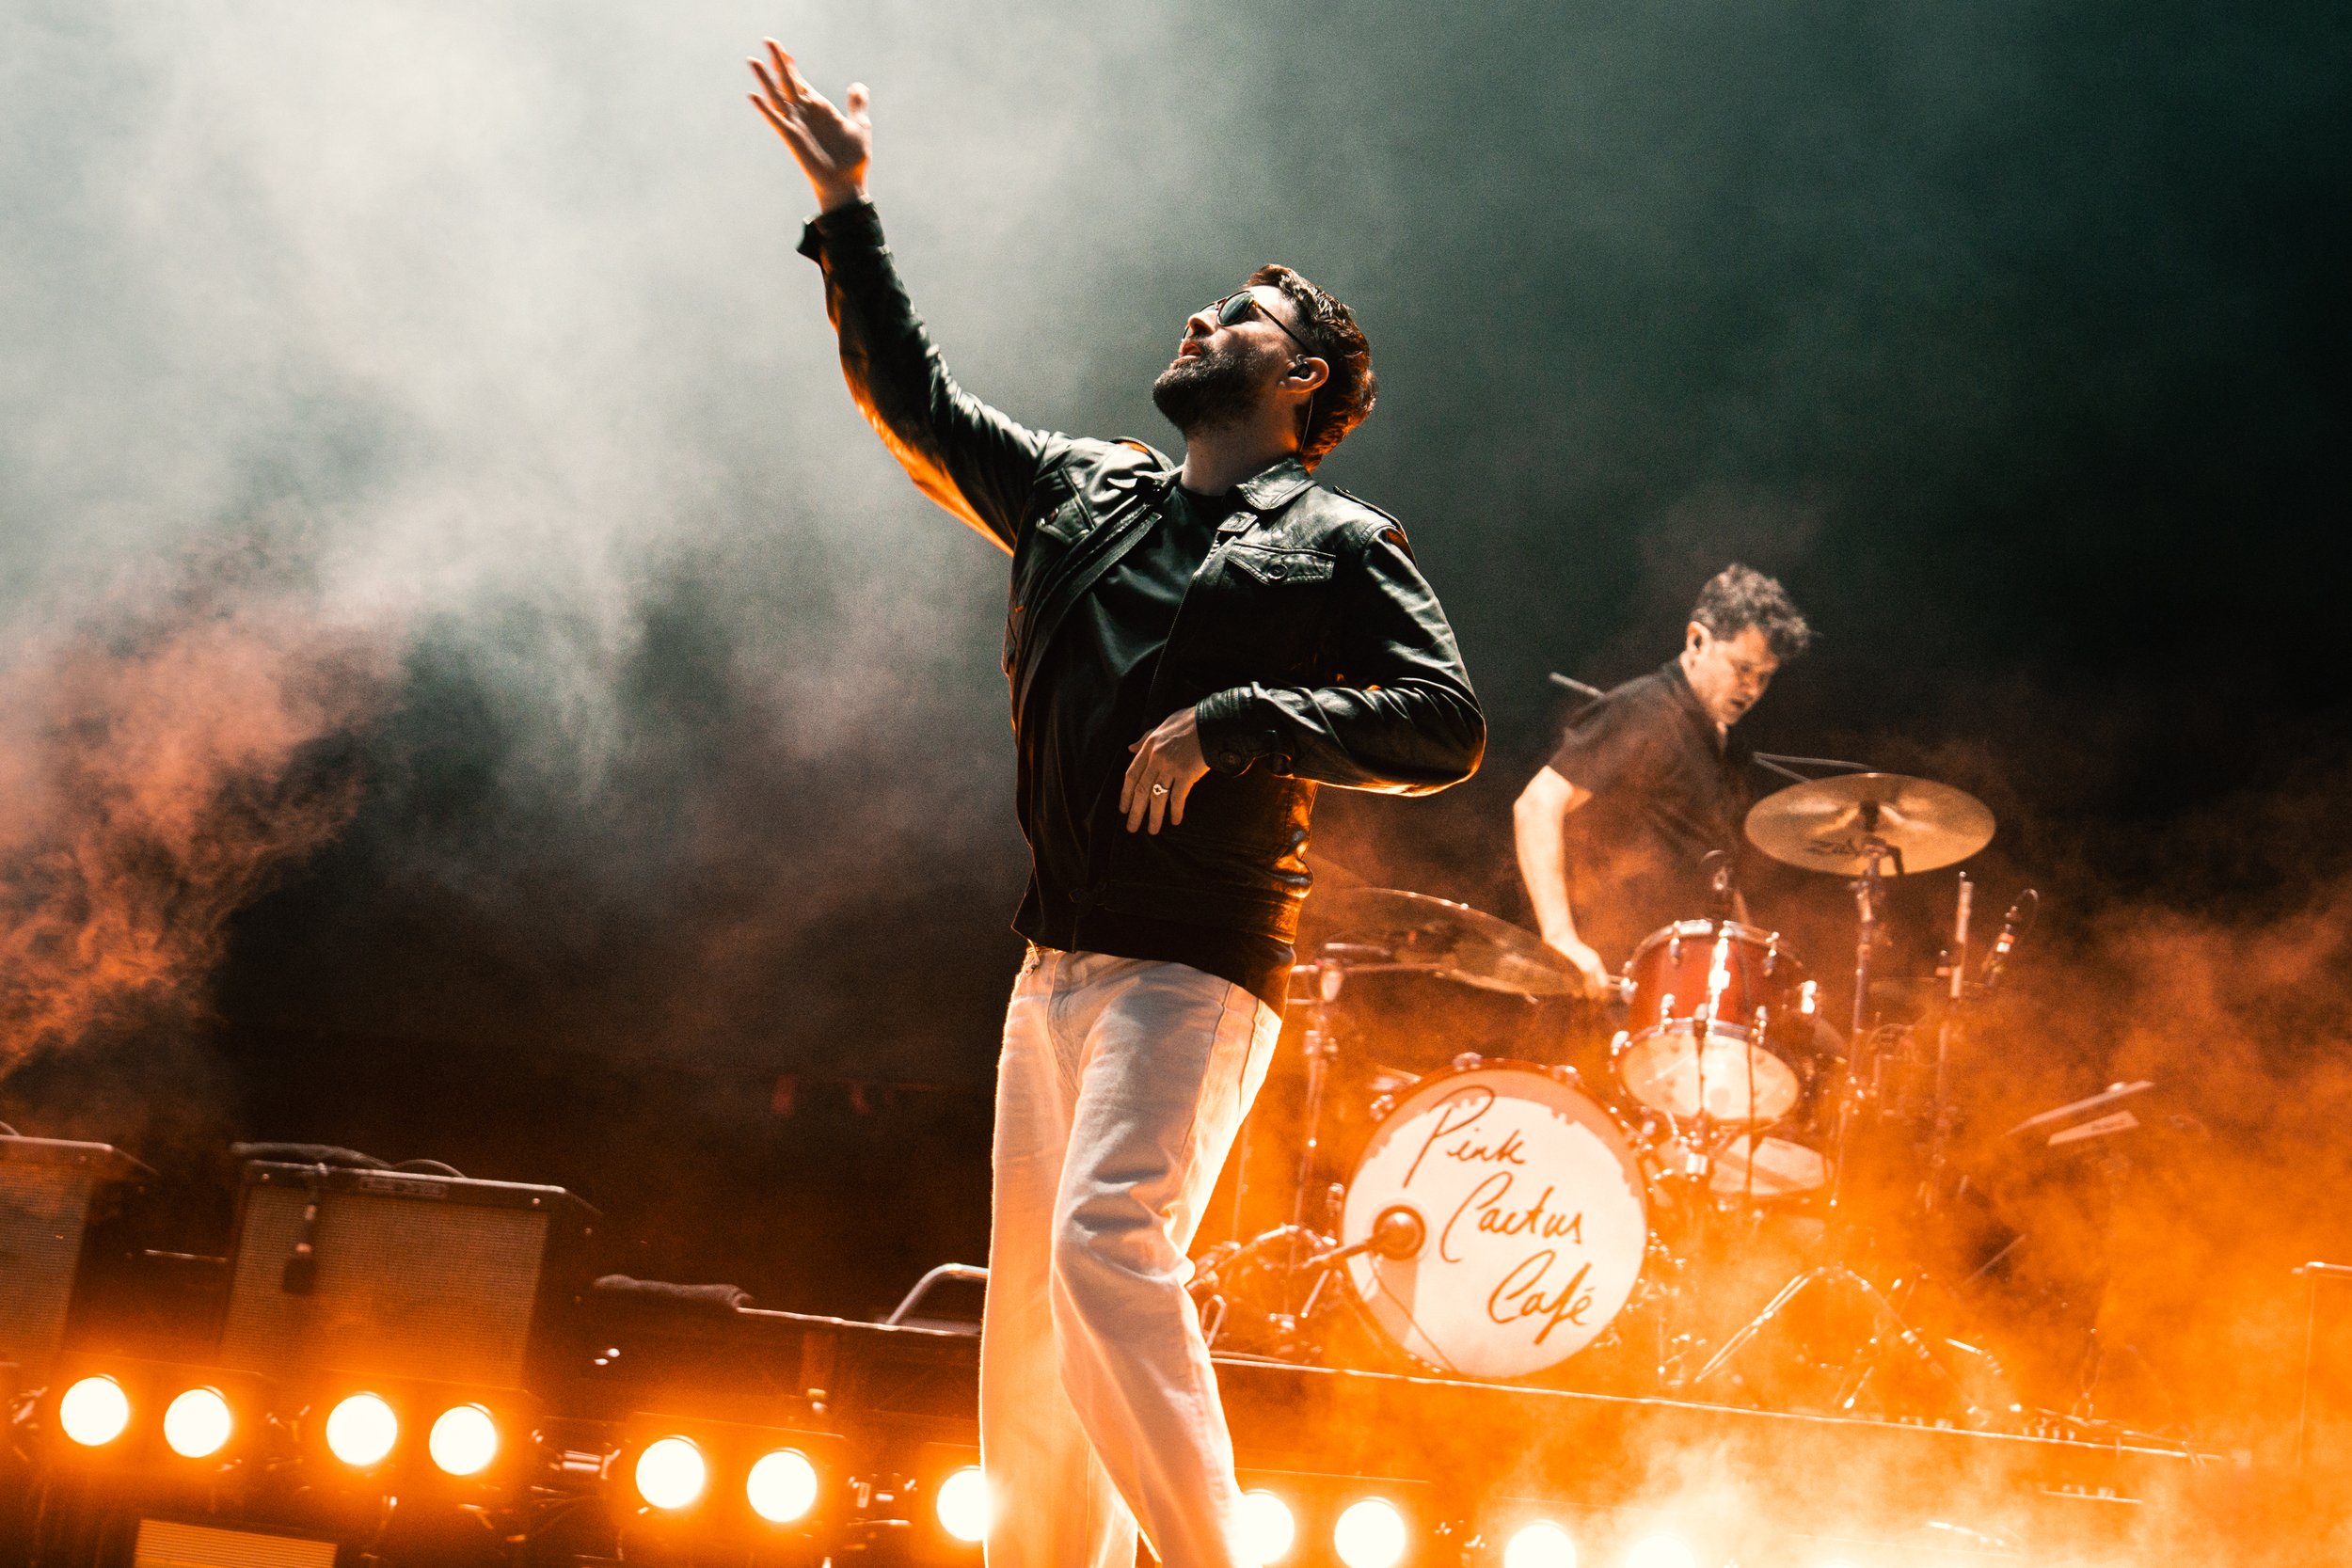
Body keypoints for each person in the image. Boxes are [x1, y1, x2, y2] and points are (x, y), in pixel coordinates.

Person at [746, 44, 1484, 1568]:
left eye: (1242, 319)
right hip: (1056, 967)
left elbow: (1445, 722)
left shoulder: (1340, 537)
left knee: (1107, 1245)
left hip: (1196, 969)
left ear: (1298, 384)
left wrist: (1236, 717)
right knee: (1028, 1333)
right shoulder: (1090, 491)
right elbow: (915, 404)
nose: (1201, 317)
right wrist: (845, 209)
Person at [1513, 564, 1811, 994]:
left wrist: (1753, 973)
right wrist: (1560, 938)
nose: (1751, 688)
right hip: (1617, 981)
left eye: (1764, 677)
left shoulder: (1727, 748)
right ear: (1696, 640)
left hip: (1686, 989)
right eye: (1742, 668)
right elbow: (1537, 804)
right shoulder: (1645, 710)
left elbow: (1719, 876)